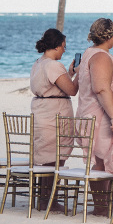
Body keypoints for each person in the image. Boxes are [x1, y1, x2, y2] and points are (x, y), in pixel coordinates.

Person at [76, 18, 113, 216]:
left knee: (111, 158)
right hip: (102, 116)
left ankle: (106, 204)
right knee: (102, 159)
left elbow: (111, 79)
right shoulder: (100, 56)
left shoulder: (95, 54)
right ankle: (101, 207)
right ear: (110, 36)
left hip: (105, 114)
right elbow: (101, 88)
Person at [30, 28, 79, 211]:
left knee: (47, 157)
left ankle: (44, 199)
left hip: (42, 111)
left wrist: (70, 73)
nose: (64, 51)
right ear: (57, 46)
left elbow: (58, 85)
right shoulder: (53, 65)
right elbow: (72, 90)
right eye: (64, 47)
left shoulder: (38, 63)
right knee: (55, 158)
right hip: (54, 114)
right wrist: (79, 74)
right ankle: (49, 200)